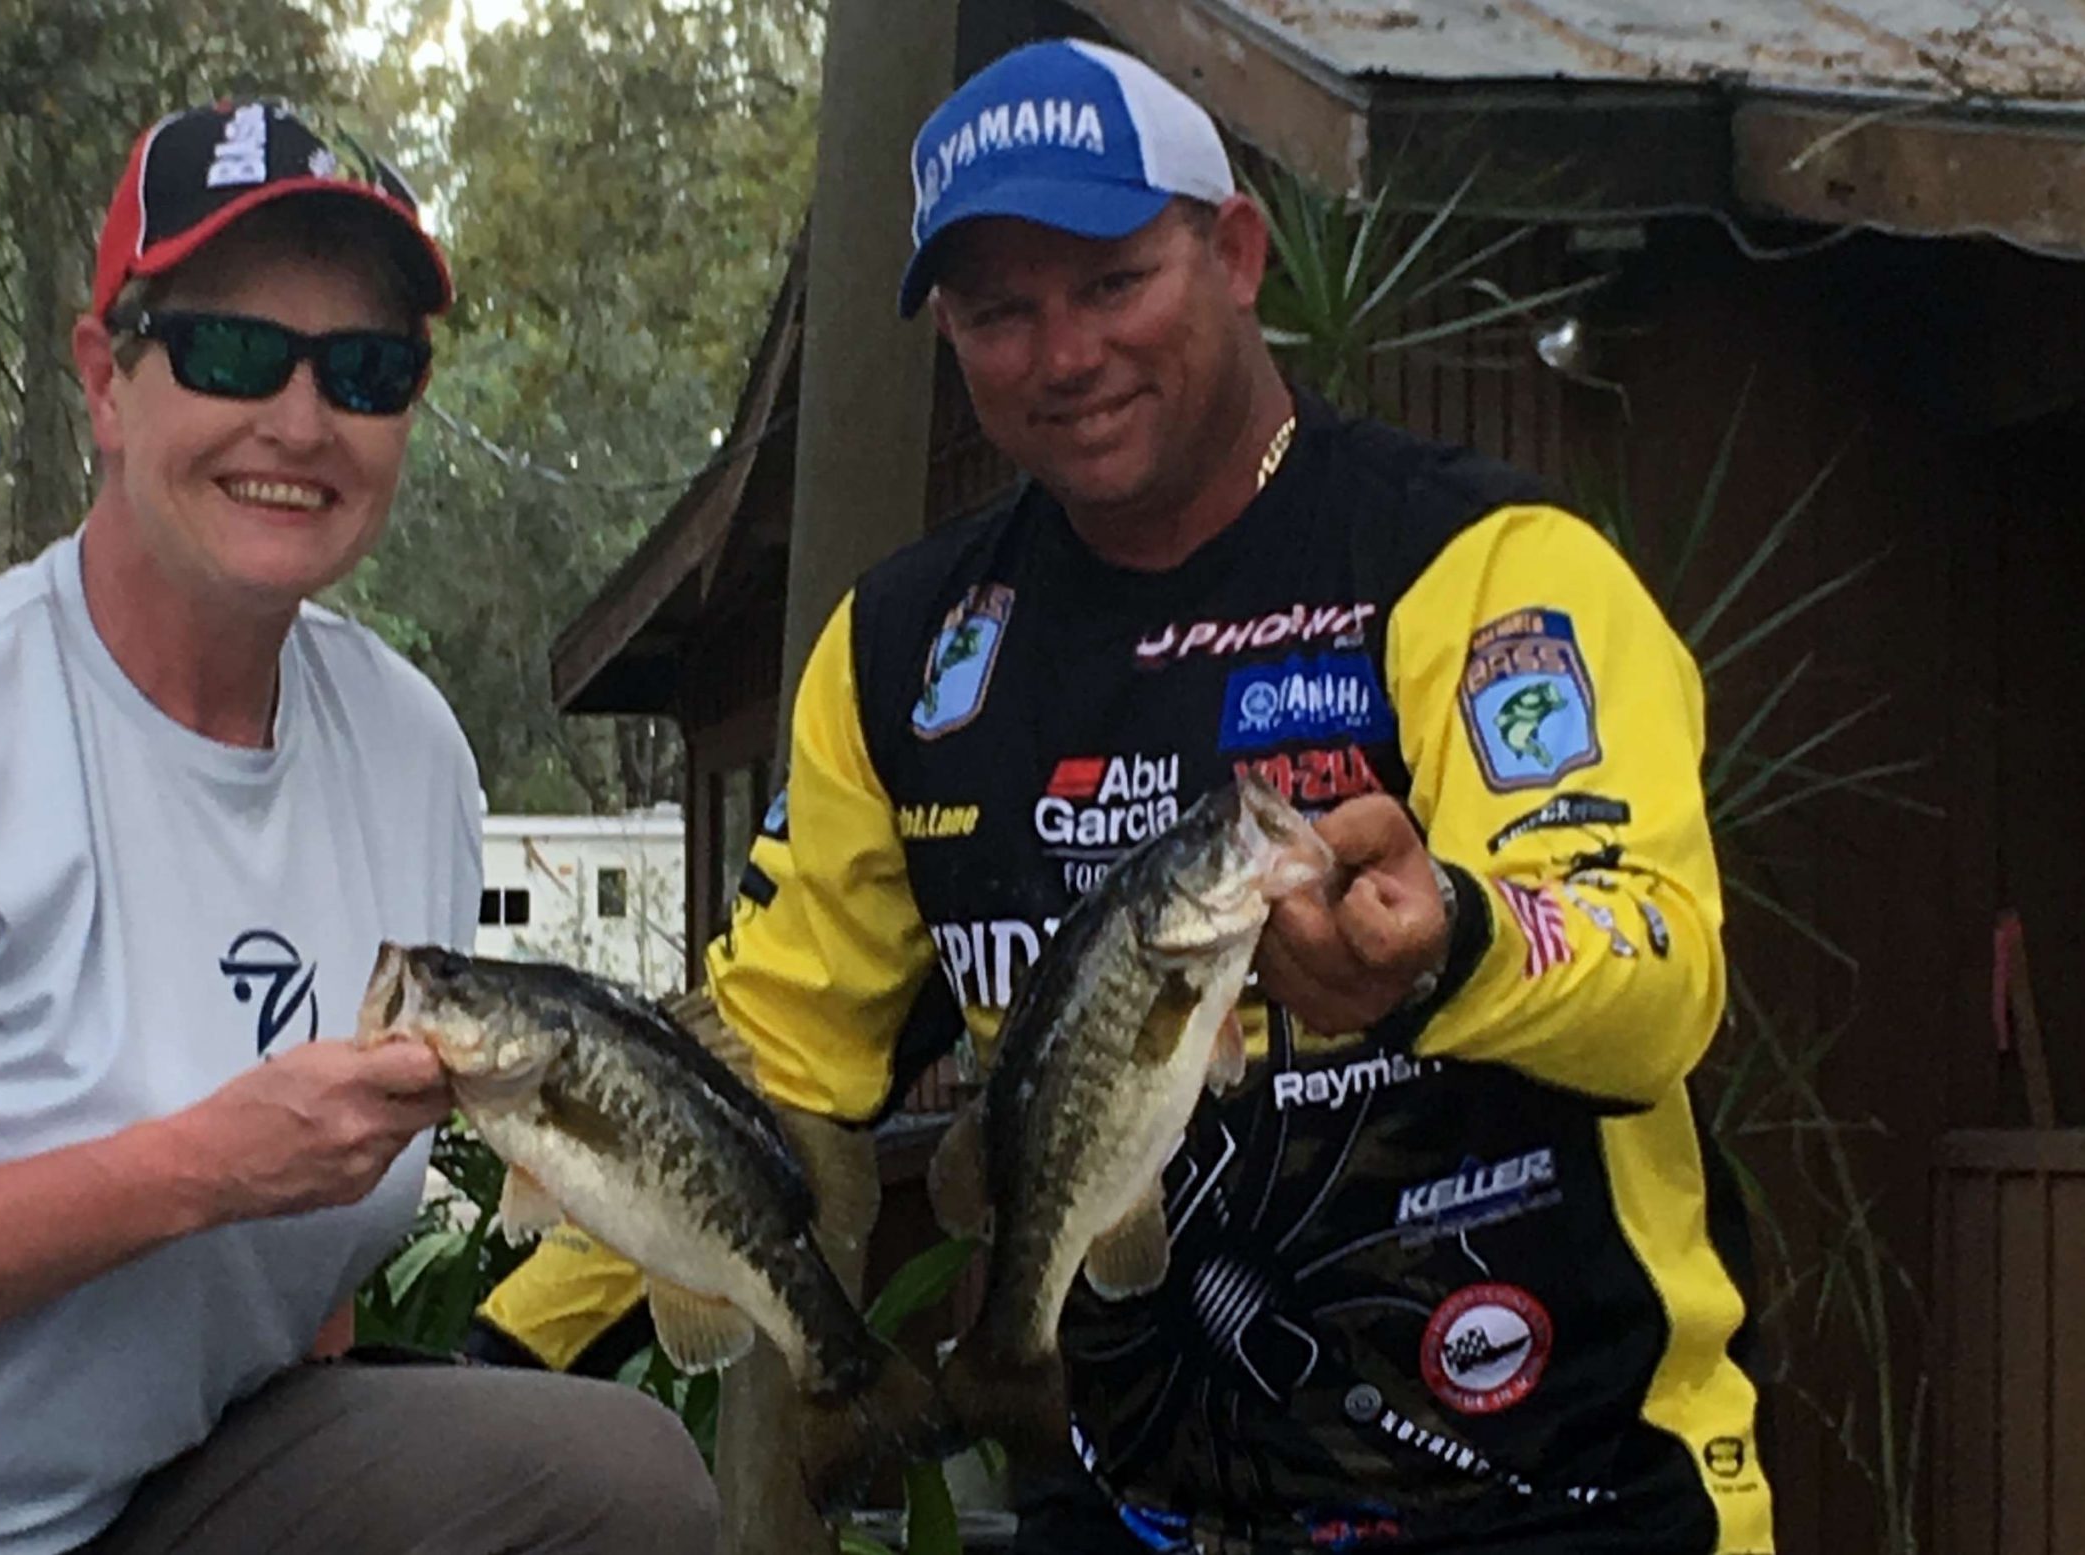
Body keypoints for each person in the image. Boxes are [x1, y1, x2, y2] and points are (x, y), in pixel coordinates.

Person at [470, 40, 1773, 1555]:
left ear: (1237, 255)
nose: (1064, 353)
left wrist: (1454, 943)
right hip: (1121, 1504)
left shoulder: (1482, 568)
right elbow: (766, 1065)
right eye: (999, 312)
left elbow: (1658, 973)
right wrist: (495, 1350)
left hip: (1556, 1502)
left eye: (1112, 281)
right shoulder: (903, 648)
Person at [0, 99, 717, 1555]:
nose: (301, 421)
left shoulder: (405, 750)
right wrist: (201, 1170)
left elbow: (303, 1289)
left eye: (366, 370)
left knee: (612, 1482)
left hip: (120, 1496)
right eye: (230, 352)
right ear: (106, 380)